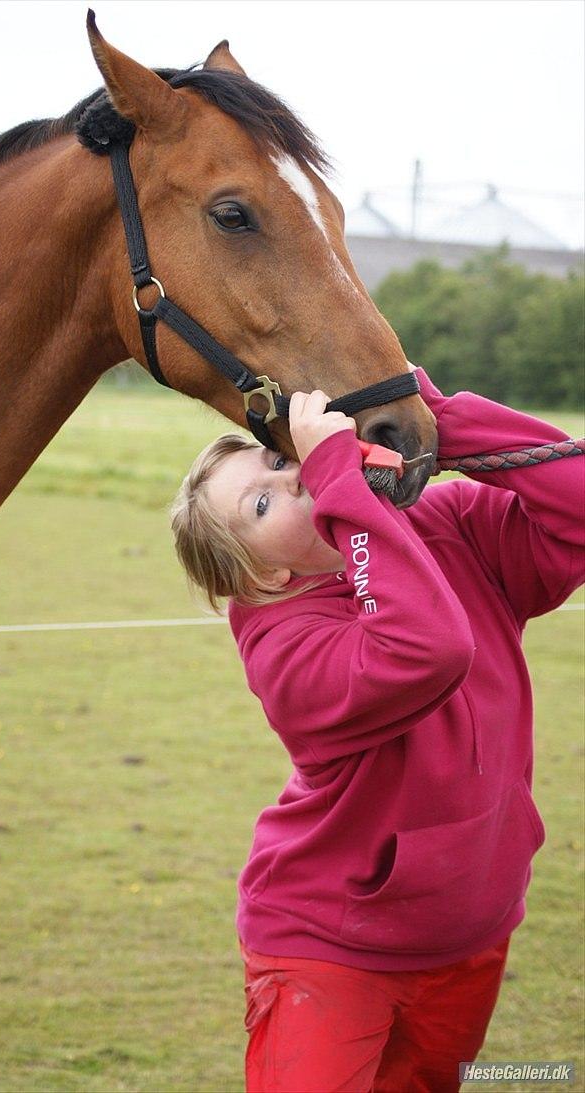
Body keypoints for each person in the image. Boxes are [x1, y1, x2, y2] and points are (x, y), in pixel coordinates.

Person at [169, 367, 584, 1093]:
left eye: (278, 460)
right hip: (326, 948)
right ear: (263, 577)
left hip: (470, 931)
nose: (294, 477)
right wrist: (339, 480)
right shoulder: (284, 649)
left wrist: (434, 415)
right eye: (262, 503)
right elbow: (427, 647)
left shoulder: (444, 526)